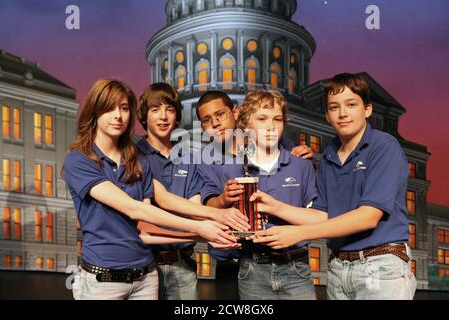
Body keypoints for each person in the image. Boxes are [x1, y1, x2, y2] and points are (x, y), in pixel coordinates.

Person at [63, 79, 237, 300]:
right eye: (109, 108)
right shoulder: (83, 160)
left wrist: (213, 227)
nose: (118, 115)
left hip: (150, 274)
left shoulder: (138, 161)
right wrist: (206, 225)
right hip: (106, 276)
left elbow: (155, 215)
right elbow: (140, 210)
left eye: (124, 109)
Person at [250, 73, 416, 300]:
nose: (343, 113)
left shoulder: (383, 146)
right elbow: (322, 215)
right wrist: (274, 206)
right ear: (327, 115)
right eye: (334, 107)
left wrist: (298, 233)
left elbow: (369, 216)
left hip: (381, 265)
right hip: (339, 268)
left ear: (367, 110)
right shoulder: (328, 156)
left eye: (351, 105)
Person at [199, 89, 318, 300]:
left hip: (293, 263)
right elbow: (207, 206)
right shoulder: (214, 163)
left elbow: (315, 215)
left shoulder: (294, 157)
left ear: (235, 114)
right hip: (241, 262)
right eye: (208, 120)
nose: (216, 123)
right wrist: (223, 200)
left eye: (221, 115)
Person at [135, 83, 247, 300]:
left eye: (170, 110)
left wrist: (216, 231)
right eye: (155, 110)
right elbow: (155, 205)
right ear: (144, 116)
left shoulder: (189, 158)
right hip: (145, 263)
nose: (163, 117)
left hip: (184, 264)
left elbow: (197, 208)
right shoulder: (134, 156)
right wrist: (209, 226)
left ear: (177, 115)